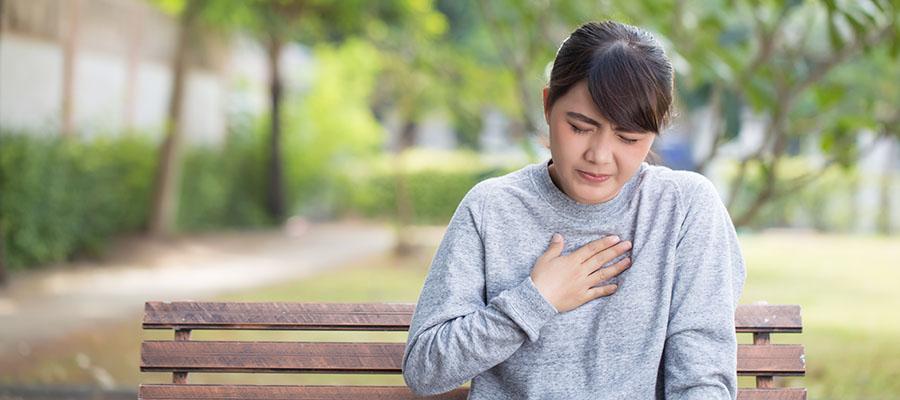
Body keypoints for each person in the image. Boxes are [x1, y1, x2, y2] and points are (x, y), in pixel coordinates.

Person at [402, 20, 746, 399]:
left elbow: (702, 377)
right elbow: (424, 370)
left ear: (655, 132)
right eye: (580, 127)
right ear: (548, 105)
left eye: (628, 138)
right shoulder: (491, 208)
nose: (599, 156)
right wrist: (536, 300)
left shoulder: (684, 208)